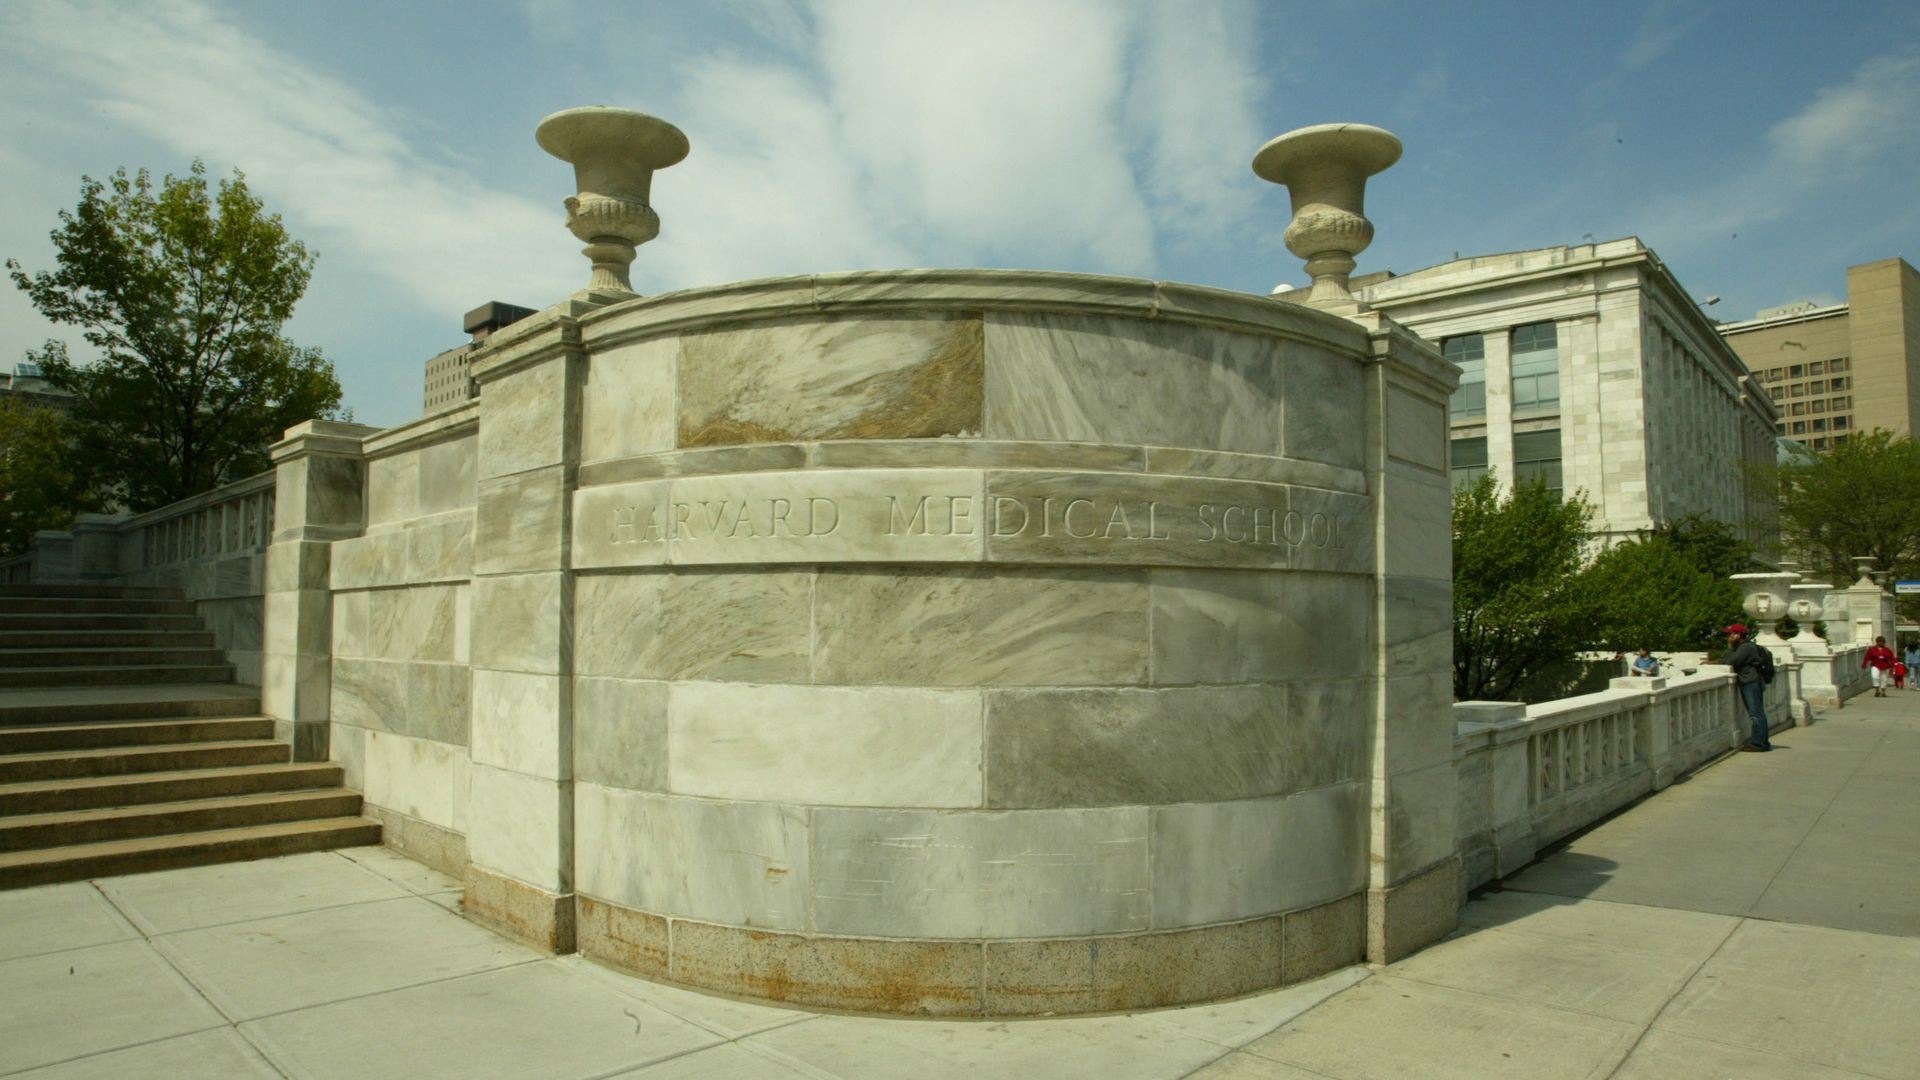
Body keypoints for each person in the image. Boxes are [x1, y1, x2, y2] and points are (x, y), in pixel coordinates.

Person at [1723, 624, 1772, 752]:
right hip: (1752, 681)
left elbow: (1730, 661)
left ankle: (1759, 744)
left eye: (1731, 634)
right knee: (1758, 713)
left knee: (1756, 714)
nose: (1729, 637)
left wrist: (1729, 647)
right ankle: (1763, 742)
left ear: (1738, 635)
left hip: (1751, 682)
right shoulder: (1744, 646)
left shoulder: (1746, 647)